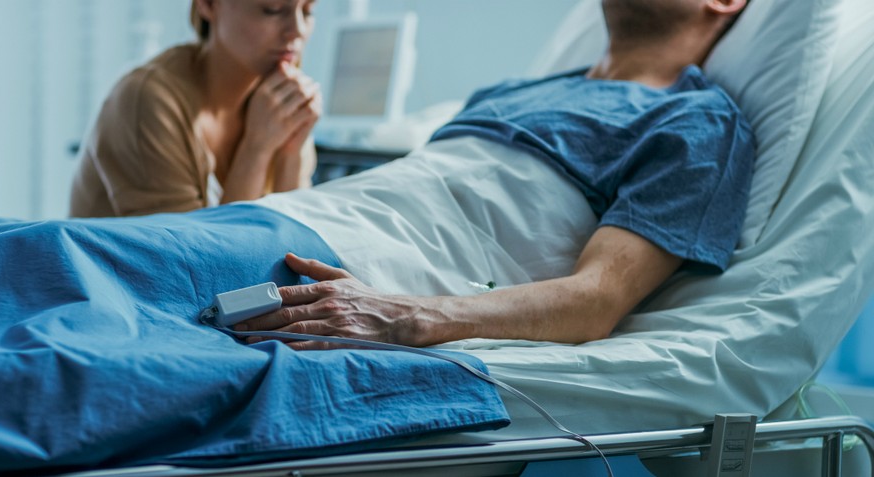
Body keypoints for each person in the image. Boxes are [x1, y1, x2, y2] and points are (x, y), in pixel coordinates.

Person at [233, 0, 755, 350]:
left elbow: (595, 300)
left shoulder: (696, 122)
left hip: (337, 269)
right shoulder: (511, 92)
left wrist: (408, 317)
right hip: (293, 224)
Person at [69, 0, 321, 218]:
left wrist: (292, 151)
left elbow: (292, 240)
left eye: (308, 11)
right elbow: (200, 263)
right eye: (272, 9)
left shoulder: (279, 102)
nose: (297, 31)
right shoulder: (147, 101)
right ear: (208, 4)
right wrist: (256, 148)